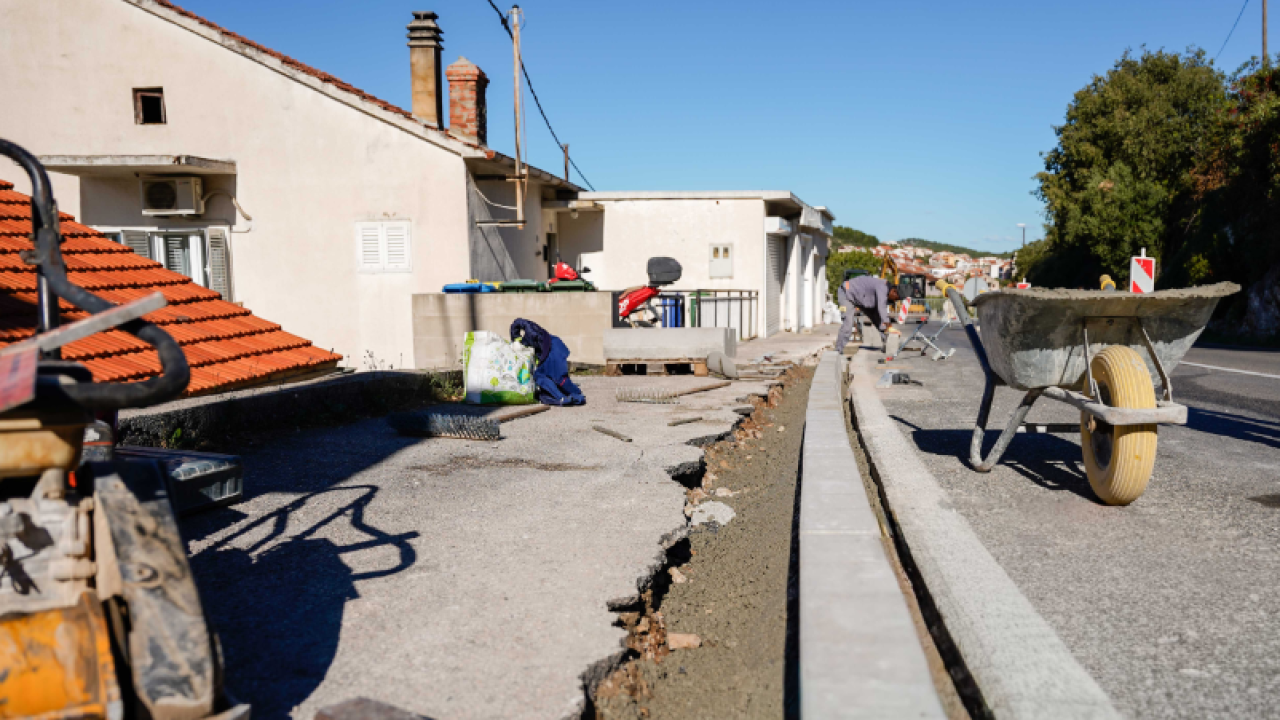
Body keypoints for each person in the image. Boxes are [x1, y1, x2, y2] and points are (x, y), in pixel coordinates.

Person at [836, 274, 901, 354]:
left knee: (879, 320)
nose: (894, 300)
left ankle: (887, 344)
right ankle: (838, 351)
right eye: (896, 298)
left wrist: (887, 325)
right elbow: (881, 306)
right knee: (848, 324)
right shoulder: (882, 287)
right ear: (894, 291)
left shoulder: (886, 289)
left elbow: (880, 312)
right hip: (846, 293)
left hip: (861, 299)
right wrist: (888, 323)